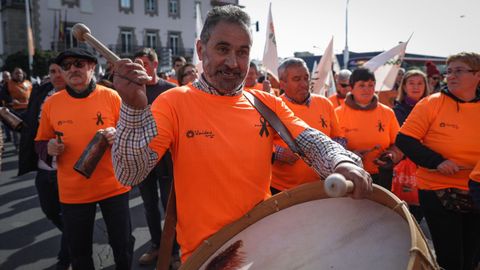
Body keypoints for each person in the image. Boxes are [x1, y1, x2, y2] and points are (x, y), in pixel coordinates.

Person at [112, 5, 372, 262]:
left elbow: (311, 141)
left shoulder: (266, 103)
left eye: (243, 52)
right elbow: (129, 173)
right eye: (223, 49)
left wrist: (343, 162)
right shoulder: (173, 102)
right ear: (201, 50)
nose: (233, 63)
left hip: (266, 244)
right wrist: (133, 111)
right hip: (207, 255)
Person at [35, 48, 134, 270]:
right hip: (73, 191)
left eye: (78, 64)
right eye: (66, 66)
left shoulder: (110, 96)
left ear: (91, 67)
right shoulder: (52, 102)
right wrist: (49, 147)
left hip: (113, 185)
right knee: (79, 252)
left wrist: (117, 135)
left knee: (123, 245)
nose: (72, 69)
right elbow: (40, 142)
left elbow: (130, 132)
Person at [396, 52, 480, 270]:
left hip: (476, 189)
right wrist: (437, 161)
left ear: (477, 75)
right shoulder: (430, 104)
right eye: (449, 71)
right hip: (438, 189)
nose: (451, 76)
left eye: (458, 71)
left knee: (471, 258)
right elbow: (404, 140)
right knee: (451, 259)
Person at [18, 59, 70, 269]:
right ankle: (75, 234)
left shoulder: (78, 94)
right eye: (52, 71)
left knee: (69, 215)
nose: (56, 75)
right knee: (49, 210)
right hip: (44, 167)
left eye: (60, 71)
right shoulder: (42, 92)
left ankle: (65, 257)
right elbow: (31, 121)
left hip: (68, 169)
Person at [132, 48, 179, 266]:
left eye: (145, 63)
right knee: (149, 205)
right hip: (144, 158)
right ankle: (156, 245)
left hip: (168, 160)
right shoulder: (132, 91)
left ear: (155, 64)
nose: (141, 67)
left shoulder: (171, 90)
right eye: (137, 63)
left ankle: (175, 249)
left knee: (170, 206)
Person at [270, 58, 345, 194]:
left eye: (306, 78)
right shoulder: (272, 107)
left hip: (323, 185)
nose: (304, 84)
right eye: (297, 79)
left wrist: (332, 154)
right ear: (282, 84)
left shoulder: (325, 103)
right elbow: (260, 144)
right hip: (283, 190)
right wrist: (279, 153)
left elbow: (339, 137)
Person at [336, 67, 403, 190]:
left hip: (382, 176)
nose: (367, 89)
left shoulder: (387, 112)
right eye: (361, 85)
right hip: (349, 176)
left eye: (371, 85)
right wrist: (350, 155)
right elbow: (331, 148)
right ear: (351, 88)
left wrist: (392, 155)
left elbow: (399, 144)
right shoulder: (337, 114)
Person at [392, 69, 430, 222]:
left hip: (426, 164)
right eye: (411, 83)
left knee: (421, 211)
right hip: (403, 164)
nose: (416, 87)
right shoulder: (396, 111)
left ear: (425, 86)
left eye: (420, 83)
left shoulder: (433, 109)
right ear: (404, 86)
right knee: (403, 213)